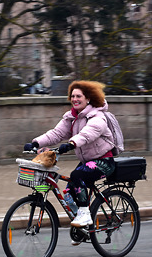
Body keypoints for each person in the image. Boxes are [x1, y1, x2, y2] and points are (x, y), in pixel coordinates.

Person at [24, 80, 118, 244]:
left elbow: (87, 134)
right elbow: (56, 133)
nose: (75, 99)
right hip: (86, 162)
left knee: (77, 175)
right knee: (68, 195)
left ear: (88, 98)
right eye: (72, 96)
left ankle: (85, 215)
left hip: (104, 161)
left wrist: (71, 144)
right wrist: (36, 143)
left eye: (78, 96)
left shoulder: (98, 116)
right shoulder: (72, 117)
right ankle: (81, 229)